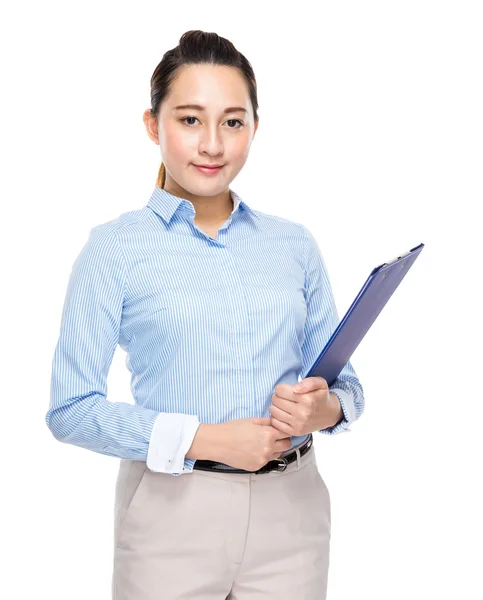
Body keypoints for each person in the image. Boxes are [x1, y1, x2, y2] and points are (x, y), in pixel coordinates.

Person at [45, 29, 364, 600]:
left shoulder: (294, 245)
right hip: (171, 517)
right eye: (190, 120)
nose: (212, 144)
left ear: (254, 129)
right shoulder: (113, 249)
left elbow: (345, 386)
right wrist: (202, 439)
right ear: (153, 125)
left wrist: (324, 407)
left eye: (233, 122)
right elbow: (70, 410)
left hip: (293, 515)